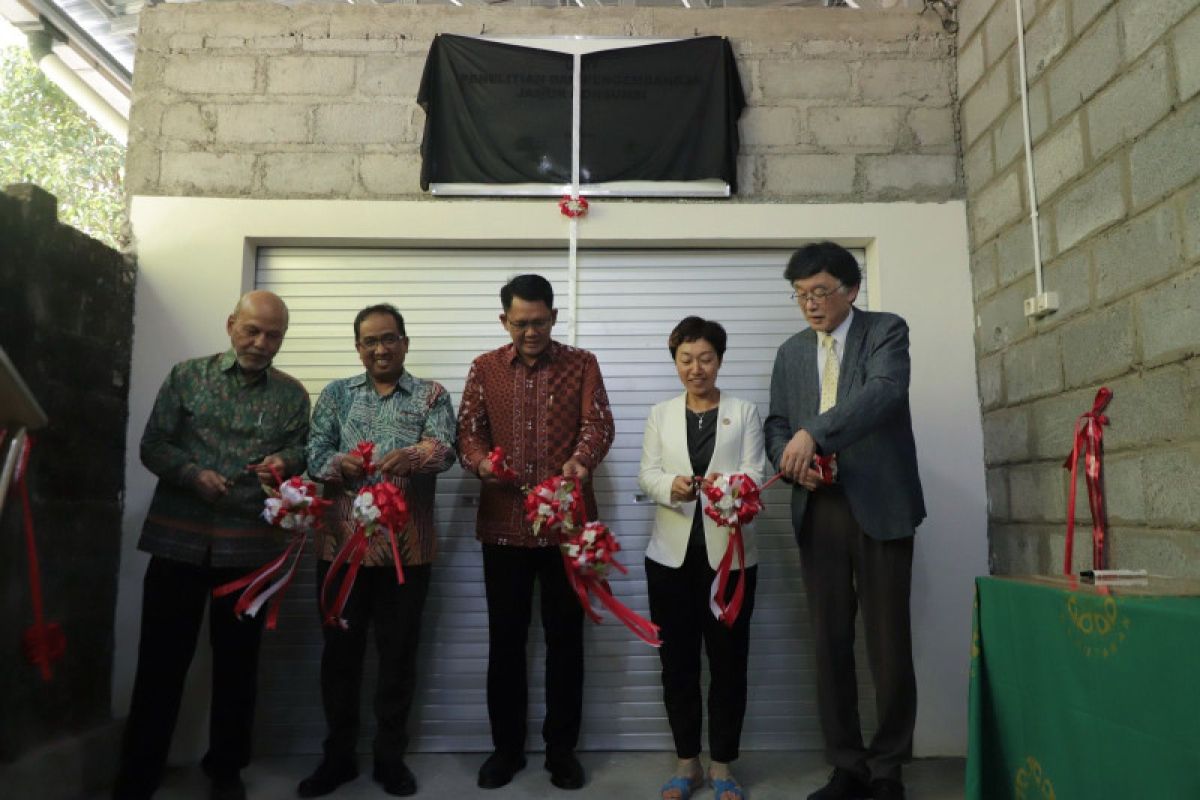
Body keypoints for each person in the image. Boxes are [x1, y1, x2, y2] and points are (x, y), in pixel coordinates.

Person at [112, 291, 311, 800]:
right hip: (177, 541)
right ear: (231, 325)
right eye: (252, 331)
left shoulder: (292, 395)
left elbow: (299, 448)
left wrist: (284, 463)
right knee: (160, 665)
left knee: (238, 670)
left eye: (273, 336)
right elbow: (153, 444)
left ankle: (226, 770)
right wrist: (191, 474)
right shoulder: (186, 376)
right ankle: (139, 772)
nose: (261, 343)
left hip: (248, 554)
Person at [764, 242, 925, 800]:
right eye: (801, 295)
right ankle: (847, 765)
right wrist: (792, 464)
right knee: (829, 641)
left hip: (880, 503)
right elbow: (779, 423)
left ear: (851, 290)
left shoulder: (885, 330)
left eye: (821, 292)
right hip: (820, 508)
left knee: (887, 642)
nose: (810, 304)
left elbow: (884, 393)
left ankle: (887, 768)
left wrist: (817, 435)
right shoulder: (789, 353)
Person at [457, 274, 615, 791]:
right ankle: (505, 750)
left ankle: (561, 751)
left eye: (540, 322)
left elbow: (599, 425)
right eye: (521, 323)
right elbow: (469, 431)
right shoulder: (484, 369)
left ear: (552, 316)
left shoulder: (582, 363)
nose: (531, 331)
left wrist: (580, 463)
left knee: (565, 642)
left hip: (566, 529)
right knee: (506, 643)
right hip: (503, 528)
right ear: (504, 320)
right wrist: (480, 464)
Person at [297, 304, 456, 798]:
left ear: (405, 342)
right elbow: (312, 454)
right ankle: (338, 758)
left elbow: (446, 450)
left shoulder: (432, 394)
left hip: (407, 555)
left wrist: (412, 455)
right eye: (370, 341)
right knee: (339, 659)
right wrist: (337, 464)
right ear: (358, 347)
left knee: (398, 659)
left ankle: (390, 759)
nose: (381, 349)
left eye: (389, 339)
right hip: (341, 551)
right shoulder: (336, 395)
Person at [638, 317, 768, 800]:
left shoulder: (744, 411)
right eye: (686, 359)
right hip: (669, 560)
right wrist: (669, 487)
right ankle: (686, 763)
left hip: (730, 561)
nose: (697, 368)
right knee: (678, 664)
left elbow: (755, 470)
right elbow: (647, 472)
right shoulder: (660, 414)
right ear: (675, 361)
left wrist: (732, 489)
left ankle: (724, 767)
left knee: (730, 664)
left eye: (706, 358)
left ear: (720, 360)